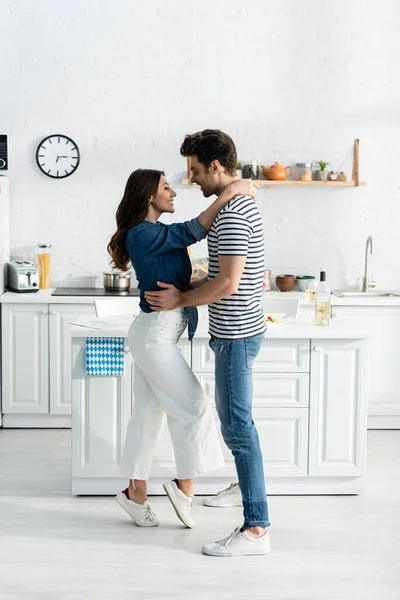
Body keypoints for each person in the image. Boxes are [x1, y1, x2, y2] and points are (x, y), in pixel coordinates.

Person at [145, 130, 271, 557]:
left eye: (196, 170)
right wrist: (193, 284)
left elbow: (228, 283)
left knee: (237, 427)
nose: (192, 179)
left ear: (216, 166)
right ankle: (246, 492)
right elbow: (224, 274)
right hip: (237, 331)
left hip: (235, 335)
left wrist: (182, 296)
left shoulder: (233, 213)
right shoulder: (237, 204)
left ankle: (256, 528)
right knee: (239, 426)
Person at [107, 168, 256, 529]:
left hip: (156, 334)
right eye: (166, 187)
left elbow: (181, 277)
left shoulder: (154, 234)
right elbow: (194, 229)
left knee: (147, 414)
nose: (173, 192)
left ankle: (134, 492)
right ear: (148, 197)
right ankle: (184, 487)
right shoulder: (143, 234)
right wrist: (230, 192)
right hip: (153, 335)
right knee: (194, 404)